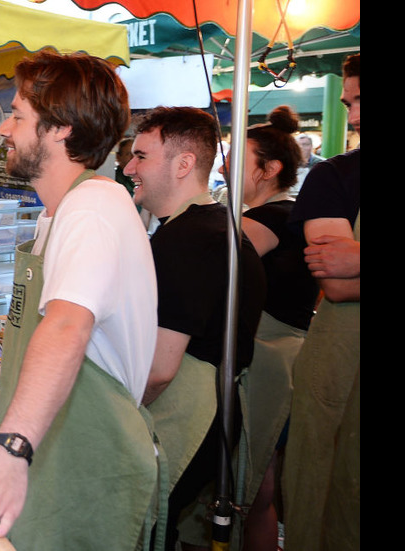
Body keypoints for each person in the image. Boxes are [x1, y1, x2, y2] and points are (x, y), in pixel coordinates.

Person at [0, 51, 161, 550]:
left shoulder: (94, 206)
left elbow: (66, 327)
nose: (3, 130)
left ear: (60, 128)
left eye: (18, 115)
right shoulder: (58, 215)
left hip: (83, 468)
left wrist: (9, 451)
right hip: (50, 459)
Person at [122, 106, 266, 551]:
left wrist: (119, 415)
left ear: (183, 164)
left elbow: (162, 369)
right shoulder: (215, 225)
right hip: (219, 407)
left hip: (191, 408)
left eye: (141, 156)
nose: (128, 169)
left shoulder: (185, 240)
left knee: (143, 529)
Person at [219, 105, 318, 551]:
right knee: (261, 487)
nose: (224, 165)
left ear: (269, 169)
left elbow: (217, 266)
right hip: (285, 359)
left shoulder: (272, 218)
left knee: (253, 486)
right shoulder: (284, 214)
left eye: (237, 157)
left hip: (271, 363)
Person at [282, 53, 360, 551]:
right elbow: (335, 281)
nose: (353, 116)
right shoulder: (333, 177)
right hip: (340, 372)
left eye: (360, 101)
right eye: (349, 103)